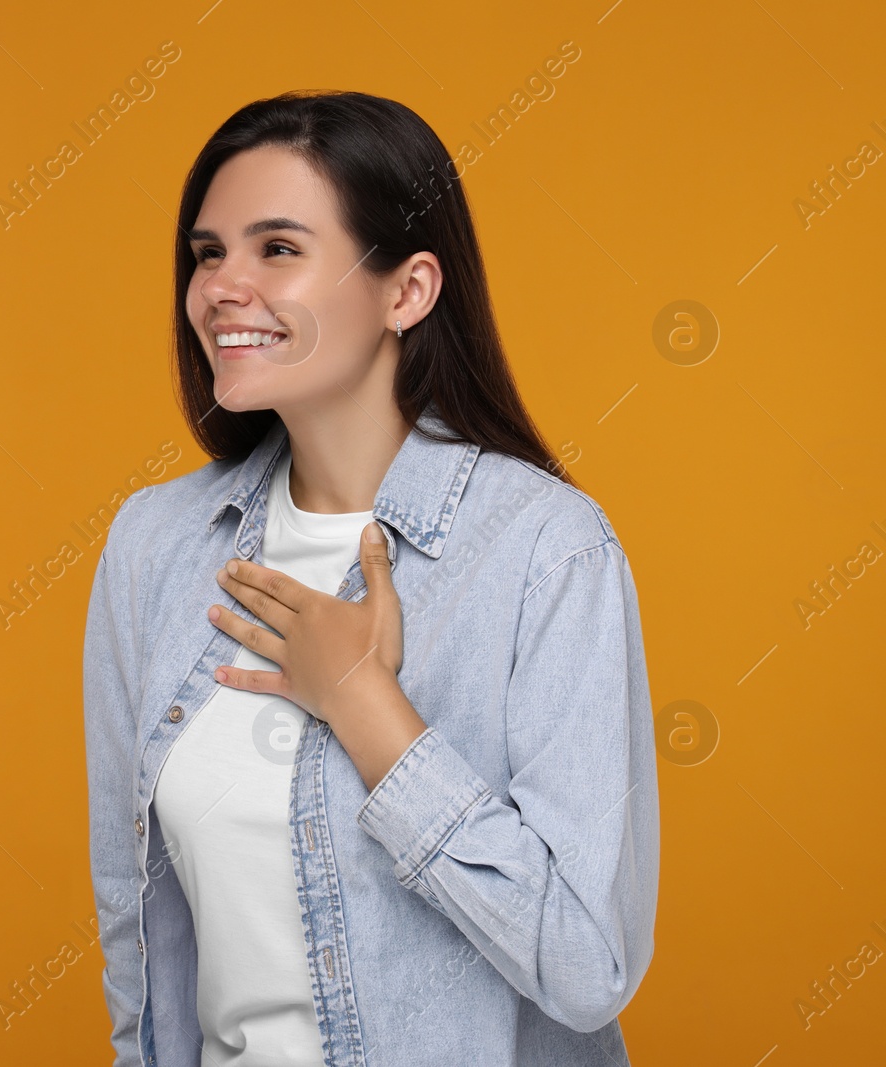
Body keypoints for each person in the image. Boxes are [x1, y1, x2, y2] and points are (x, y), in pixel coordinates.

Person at [82, 90, 660, 1067]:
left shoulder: (545, 552)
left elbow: (585, 962)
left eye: (276, 248)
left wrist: (365, 705)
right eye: (207, 251)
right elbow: (135, 927)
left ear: (408, 291)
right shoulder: (154, 546)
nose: (221, 285)